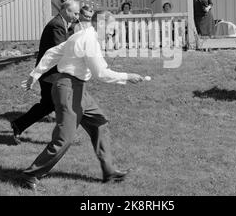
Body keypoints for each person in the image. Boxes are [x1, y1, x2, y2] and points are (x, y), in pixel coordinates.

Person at [20, 10, 144, 190]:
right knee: (64, 138)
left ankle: (109, 172)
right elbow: (101, 73)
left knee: (99, 123)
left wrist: (35, 74)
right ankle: (31, 175)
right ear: (101, 23)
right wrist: (127, 76)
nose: (112, 32)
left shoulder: (80, 35)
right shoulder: (89, 40)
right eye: (111, 28)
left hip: (79, 89)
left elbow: (52, 53)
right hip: (68, 89)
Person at [10, 0, 80, 145]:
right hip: (50, 74)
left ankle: (19, 124)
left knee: (48, 105)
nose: (77, 16)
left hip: (52, 74)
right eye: (75, 13)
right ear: (66, 10)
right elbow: (60, 51)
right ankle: (65, 137)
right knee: (62, 104)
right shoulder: (56, 26)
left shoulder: (64, 24)